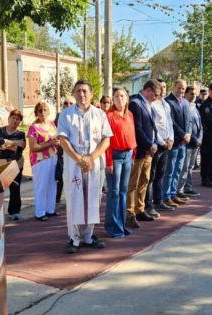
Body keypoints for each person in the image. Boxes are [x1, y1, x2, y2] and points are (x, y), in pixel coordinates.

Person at [57, 80, 112, 254]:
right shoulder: (66, 115)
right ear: (73, 94)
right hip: (74, 163)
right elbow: (63, 140)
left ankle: (88, 235)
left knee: (93, 198)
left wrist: (91, 158)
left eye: (85, 91)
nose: (82, 95)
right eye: (78, 91)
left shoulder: (100, 114)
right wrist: (80, 159)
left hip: (94, 163)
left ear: (91, 94)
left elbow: (106, 139)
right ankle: (74, 237)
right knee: (74, 199)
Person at [125, 79, 161, 228]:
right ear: (148, 91)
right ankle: (130, 213)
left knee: (144, 181)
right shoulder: (135, 103)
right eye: (156, 94)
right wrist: (149, 144)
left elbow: (152, 126)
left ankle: (140, 209)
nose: (157, 98)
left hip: (149, 151)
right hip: (140, 150)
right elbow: (137, 129)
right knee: (133, 183)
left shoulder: (148, 104)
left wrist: (155, 143)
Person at [104, 87, 136, 238]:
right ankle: (112, 226)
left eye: (122, 96)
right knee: (114, 192)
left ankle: (121, 225)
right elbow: (106, 141)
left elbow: (132, 135)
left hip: (128, 156)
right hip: (115, 157)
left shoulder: (129, 114)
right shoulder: (109, 116)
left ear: (127, 98)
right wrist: (108, 161)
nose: (119, 99)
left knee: (123, 192)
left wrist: (133, 155)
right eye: (116, 96)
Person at [145, 79, 174, 215]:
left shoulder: (166, 105)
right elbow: (154, 127)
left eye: (164, 87)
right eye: (160, 88)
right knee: (151, 176)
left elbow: (169, 124)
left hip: (167, 144)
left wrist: (171, 139)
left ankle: (158, 200)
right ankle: (148, 204)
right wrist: (162, 142)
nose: (163, 90)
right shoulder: (152, 105)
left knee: (160, 174)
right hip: (158, 144)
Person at [0, 109, 26, 220]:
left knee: (15, 187)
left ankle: (14, 212)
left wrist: (6, 144)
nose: (15, 121)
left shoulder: (21, 133)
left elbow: (21, 148)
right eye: (13, 118)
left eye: (18, 119)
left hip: (15, 163)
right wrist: (15, 143)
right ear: (9, 118)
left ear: (20, 122)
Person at [28, 101, 59, 221]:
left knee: (52, 184)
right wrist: (50, 143)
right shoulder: (33, 127)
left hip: (53, 157)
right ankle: (40, 212)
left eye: (45, 110)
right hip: (40, 159)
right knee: (41, 186)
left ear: (49, 112)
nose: (43, 113)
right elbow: (33, 147)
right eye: (40, 110)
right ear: (36, 113)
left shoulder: (51, 124)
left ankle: (50, 209)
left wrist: (58, 143)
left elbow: (57, 138)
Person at [163, 79, 191, 204]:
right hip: (174, 141)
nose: (181, 91)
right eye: (179, 88)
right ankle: (166, 195)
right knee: (170, 170)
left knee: (178, 169)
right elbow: (172, 122)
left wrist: (189, 134)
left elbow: (189, 120)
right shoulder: (168, 101)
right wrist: (183, 134)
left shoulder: (185, 102)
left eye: (183, 89)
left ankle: (173, 193)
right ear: (174, 87)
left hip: (183, 143)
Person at [177, 86, 202, 197]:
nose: (194, 96)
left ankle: (188, 187)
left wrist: (200, 138)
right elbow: (188, 126)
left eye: (195, 94)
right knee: (185, 167)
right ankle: (180, 189)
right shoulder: (184, 107)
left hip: (196, 143)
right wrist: (194, 139)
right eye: (191, 93)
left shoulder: (195, 107)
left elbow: (200, 125)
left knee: (191, 166)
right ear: (186, 94)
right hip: (188, 142)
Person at [55, 96, 75, 203]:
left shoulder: (78, 115)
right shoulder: (60, 115)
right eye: (66, 103)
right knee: (61, 175)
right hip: (61, 150)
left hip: (75, 151)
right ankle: (57, 198)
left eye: (71, 103)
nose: (68, 105)